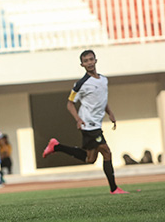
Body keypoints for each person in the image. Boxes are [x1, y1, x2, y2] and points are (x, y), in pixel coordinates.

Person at [42, 49, 128, 194]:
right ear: (82, 64)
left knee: (90, 158)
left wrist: (110, 113)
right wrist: (78, 119)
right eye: (86, 61)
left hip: (97, 122)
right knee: (107, 152)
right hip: (88, 124)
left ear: (96, 60)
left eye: (91, 59)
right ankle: (114, 189)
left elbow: (102, 100)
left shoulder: (104, 80)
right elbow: (69, 103)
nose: (89, 63)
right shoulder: (81, 84)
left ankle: (56, 146)